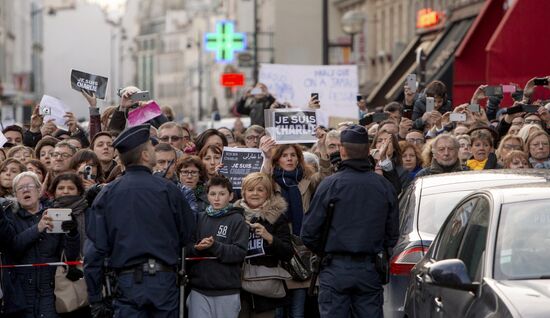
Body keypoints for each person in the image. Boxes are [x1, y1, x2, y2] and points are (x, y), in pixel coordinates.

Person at [84, 124, 195, 317]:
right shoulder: (168, 190)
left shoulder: (108, 194)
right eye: (151, 148)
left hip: (128, 282)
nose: (154, 150)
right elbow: (188, 234)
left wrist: (95, 297)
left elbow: (94, 250)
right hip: (163, 281)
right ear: (144, 155)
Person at [301, 125, 399, 318]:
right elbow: (392, 234)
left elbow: (309, 233)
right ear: (367, 150)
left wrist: (325, 252)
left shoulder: (330, 185)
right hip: (368, 267)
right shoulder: (383, 186)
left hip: (335, 267)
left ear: (342, 151)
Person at [7, 171, 80, 318]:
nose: (26, 190)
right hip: (21, 293)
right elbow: (13, 248)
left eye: (29, 186)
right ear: (15, 194)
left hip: (51, 291)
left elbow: (70, 256)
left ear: (39, 190)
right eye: (20, 188)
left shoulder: (54, 213)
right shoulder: (10, 218)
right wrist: (38, 228)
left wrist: (72, 233)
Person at [187, 175, 249, 318]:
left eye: (222, 194)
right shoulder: (199, 218)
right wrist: (197, 248)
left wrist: (214, 246)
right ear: (207, 195)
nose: (217, 198)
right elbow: (187, 248)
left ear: (231, 196)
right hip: (199, 289)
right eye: (212, 194)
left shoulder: (237, 219)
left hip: (227, 290)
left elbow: (239, 252)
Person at [235, 173, 293, 318]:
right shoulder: (233, 216)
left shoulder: (277, 217)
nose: (255, 193)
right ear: (243, 192)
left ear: (267, 193)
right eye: (250, 189)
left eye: (260, 190)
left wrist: (270, 238)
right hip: (237, 288)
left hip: (265, 290)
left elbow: (288, 253)